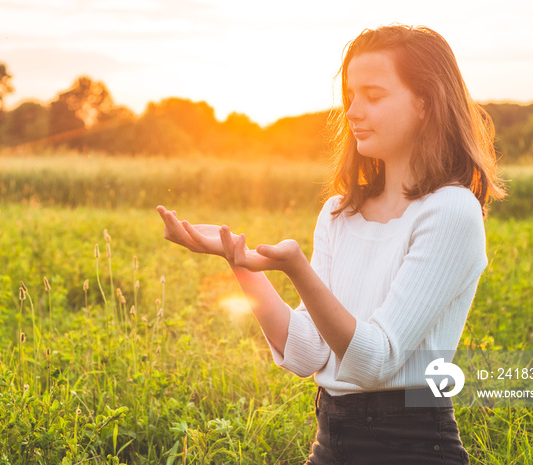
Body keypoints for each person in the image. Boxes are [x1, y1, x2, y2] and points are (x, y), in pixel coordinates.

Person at [157, 24, 504, 464]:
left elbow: (376, 361)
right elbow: (308, 352)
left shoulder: (451, 211)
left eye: (374, 97)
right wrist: (239, 261)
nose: (354, 111)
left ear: (425, 104)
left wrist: (298, 270)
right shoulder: (340, 212)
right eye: (351, 96)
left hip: (411, 444)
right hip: (330, 441)